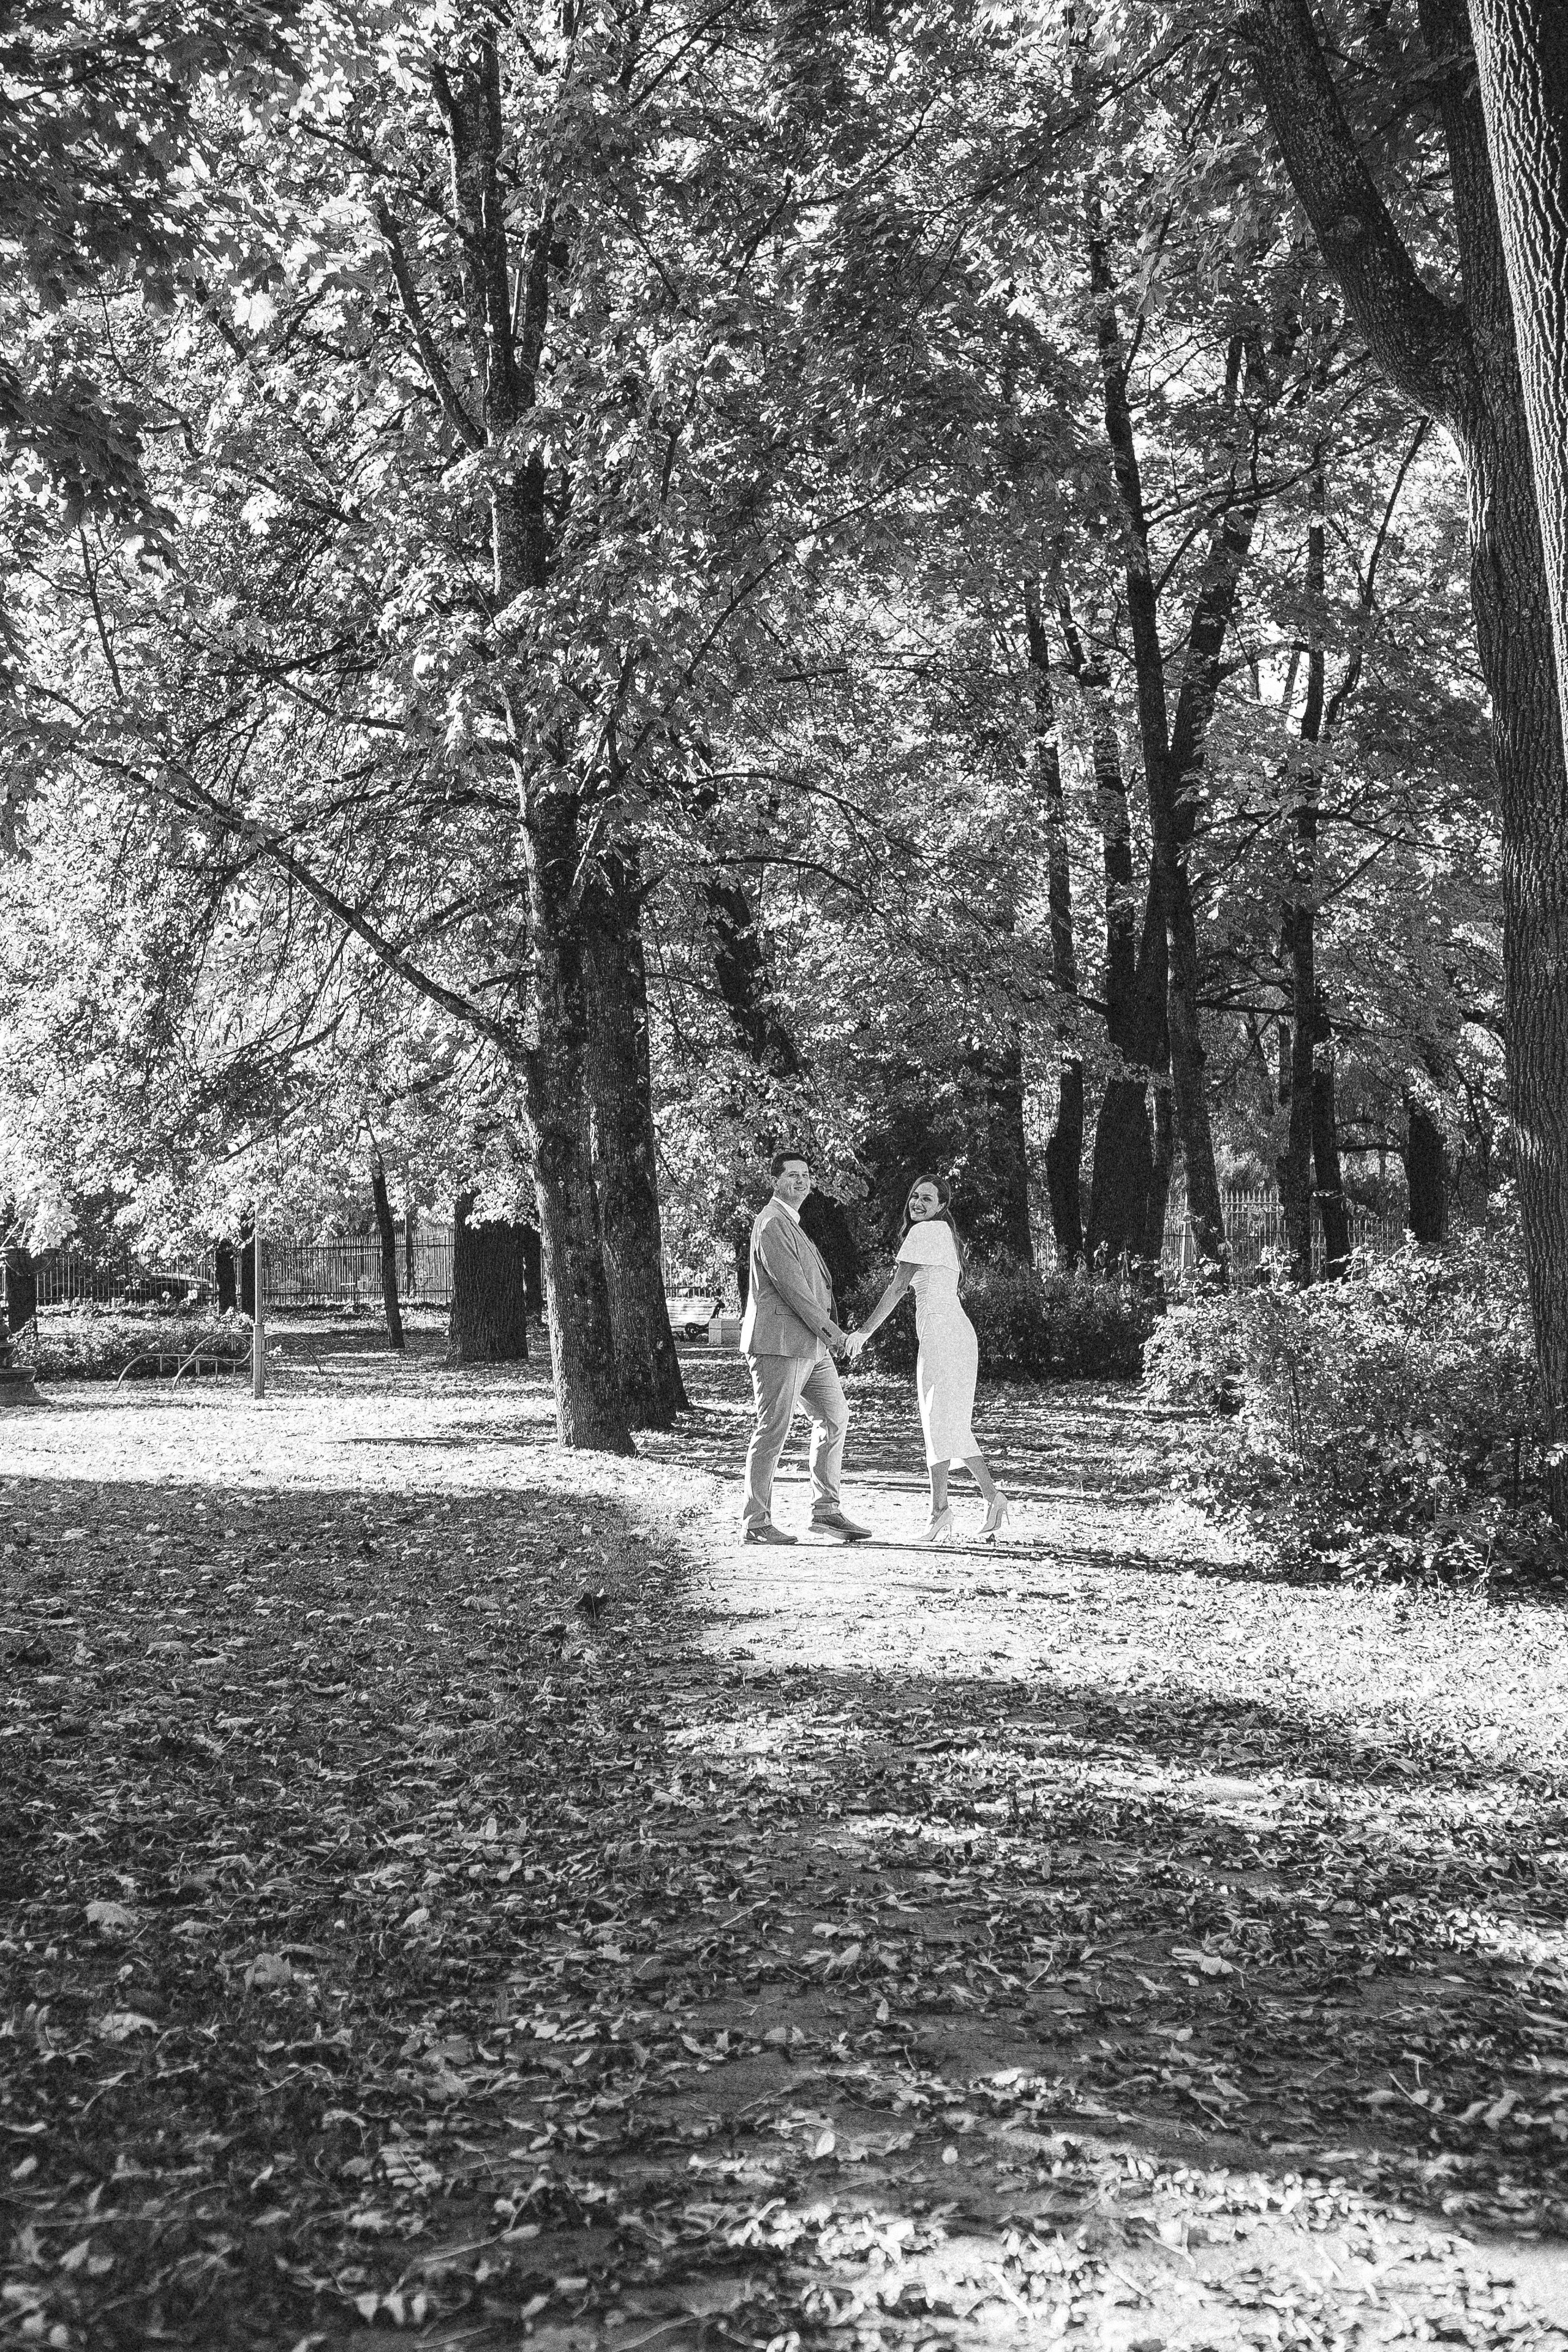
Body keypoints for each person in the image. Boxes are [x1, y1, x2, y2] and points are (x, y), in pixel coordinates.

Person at [846, 1172, 1010, 1545]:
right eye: (915, 1196)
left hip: (944, 1336)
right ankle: (972, 1502)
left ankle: (951, 1508)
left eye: (928, 1199)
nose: (918, 1203)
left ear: (941, 1207)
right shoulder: (942, 1235)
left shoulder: (926, 1233)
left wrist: (863, 1333)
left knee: (941, 1420)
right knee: (943, 1422)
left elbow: (897, 1287)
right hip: (950, 1334)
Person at [739, 1148, 871, 1546]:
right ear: (776, 1180)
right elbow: (797, 1294)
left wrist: (827, 1338)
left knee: (834, 1417)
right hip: (780, 1345)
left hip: (811, 1347)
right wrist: (837, 1336)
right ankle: (756, 1523)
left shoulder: (791, 1222)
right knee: (773, 1431)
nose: (801, 1181)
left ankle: (827, 1512)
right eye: (792, 1175)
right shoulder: (771, 1224)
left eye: (805, 1174)